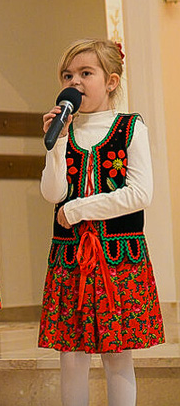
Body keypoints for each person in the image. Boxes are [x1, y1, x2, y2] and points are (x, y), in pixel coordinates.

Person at [38, 39, 164, 406]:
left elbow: (139, 193)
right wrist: (56, 144)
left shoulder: (129, 127)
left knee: (117, 352)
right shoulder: (64, 129)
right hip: (70, 259)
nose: (74, 81)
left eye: (85, 73)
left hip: (118, 256)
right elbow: (52, 191)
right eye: (68, 75)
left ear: (110, 81)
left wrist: (79, 210)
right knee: (72, 355)